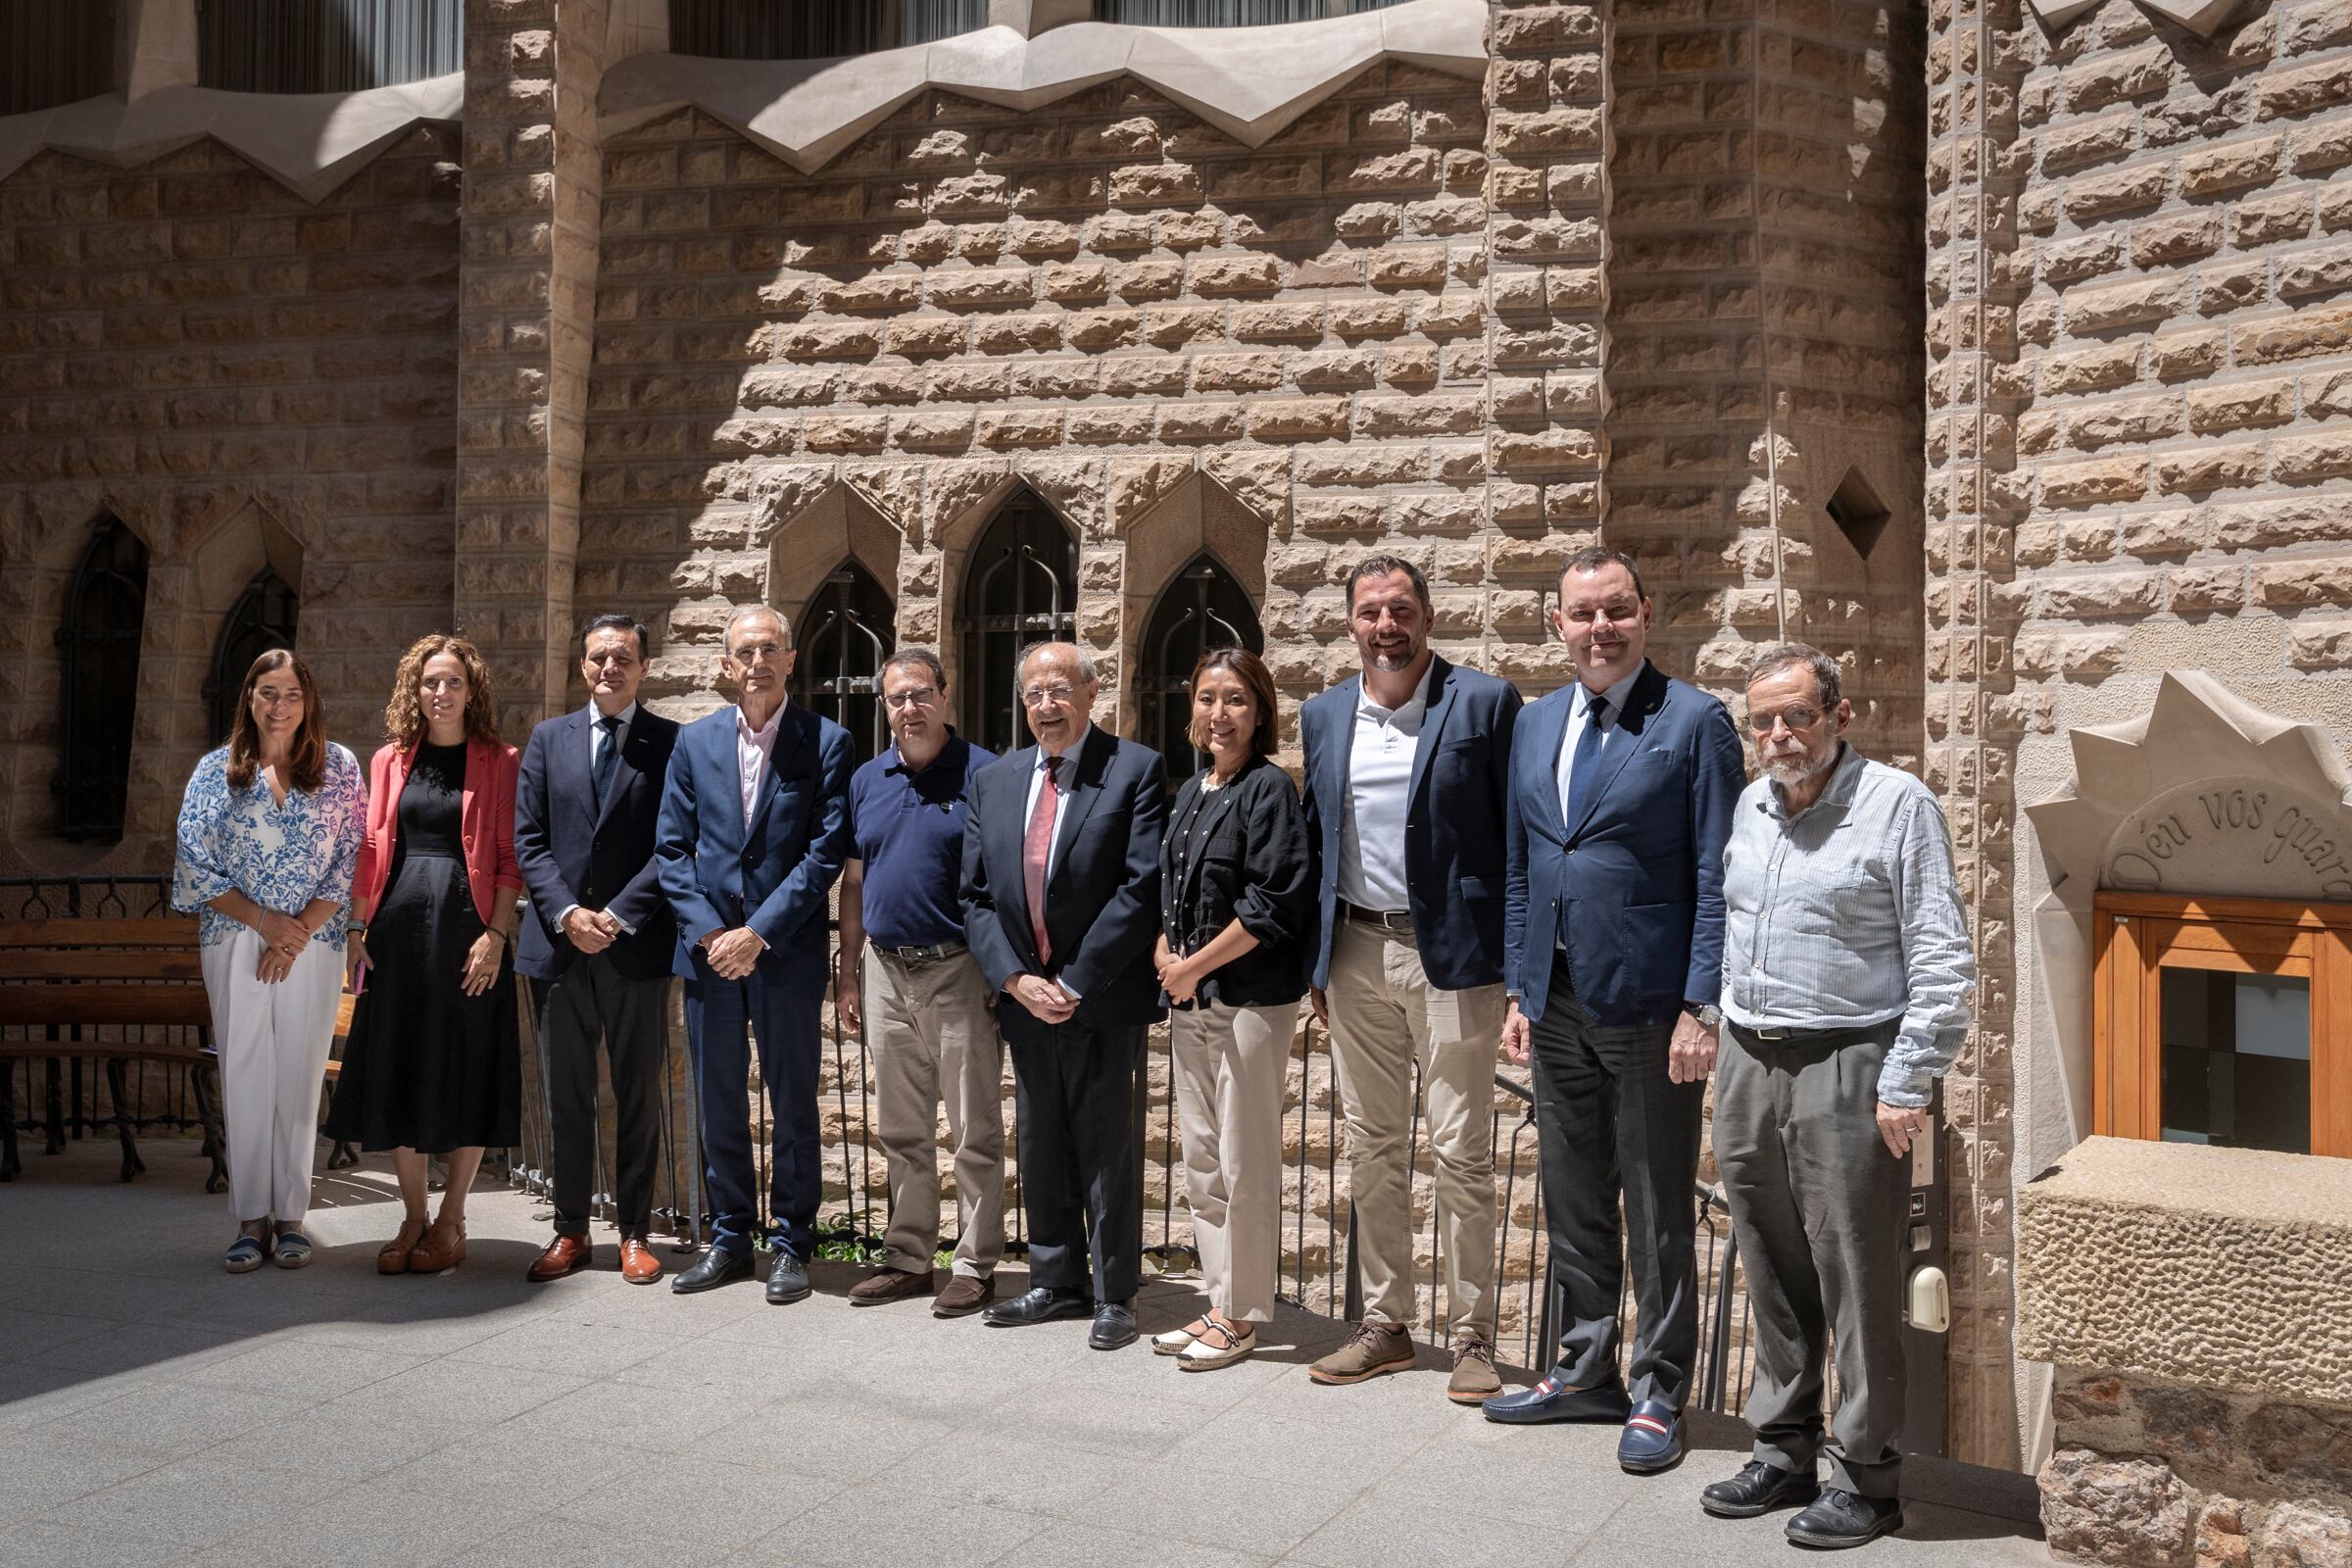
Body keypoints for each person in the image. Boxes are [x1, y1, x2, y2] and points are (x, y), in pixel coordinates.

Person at [1701, 642, 1974, 1549]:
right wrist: (1710, 1017)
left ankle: (1866, 1476)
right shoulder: (1750, 803)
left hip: (1852, 1062)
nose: (1779, 736)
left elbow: (1941, 958)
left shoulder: (1900, 806)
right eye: (1764, 720)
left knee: (1856, 1273)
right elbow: (1736, 924)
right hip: (1749, 1056)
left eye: (1798, 717)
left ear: (1840, 717)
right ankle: (1782, 1450)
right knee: (1770, 1267)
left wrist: (1906, 1082)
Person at [1486, 546, 1748, 1473]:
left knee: (1659, 1204)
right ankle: (1586, 1367)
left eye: (1616, 611)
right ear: (1556, 624)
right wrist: (1520, 989)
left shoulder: (1694, 724)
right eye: (1582, 613)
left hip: (1648, 1011)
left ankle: (1659, 1391)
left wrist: (1700, 1005)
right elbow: (1526, 863)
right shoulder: (1535, 722)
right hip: (1554, 1003)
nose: (1600, 628)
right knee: (1574, 1193)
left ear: (1647, 613)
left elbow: (1718, 876)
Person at [1298, 556, 1520, 1403]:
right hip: (1354, 950)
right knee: (1372, 1145)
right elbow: (1319, 841)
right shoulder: (1325, 715)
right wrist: (1317, 961)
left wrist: (1516, 965)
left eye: (1400, 610)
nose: (1385, 626)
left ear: (1428, 617)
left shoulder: (1485, 702)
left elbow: (1516, 834)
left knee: (1462, 1150)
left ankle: (1473, 1339)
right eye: (1369, 612)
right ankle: (1386, 1325)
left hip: (1453, 960)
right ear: (1350, 623)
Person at [962, 641, 1166, 1351]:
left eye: (1058, 691)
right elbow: (977, 895)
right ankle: (1053, 1282)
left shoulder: (1135, 770)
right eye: (1033, 695)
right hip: (1025, 997)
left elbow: (1141, 888)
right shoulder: (995, 780)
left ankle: (1114, 1294)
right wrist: (1016, 980)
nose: (1046, 707)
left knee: (1107, 1145)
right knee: (1040, 1138)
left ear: (1090, 693)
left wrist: (1074, 983)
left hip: (1099, 997)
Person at [656, 606, 853, 1302]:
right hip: (710, 956)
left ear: (792, 660)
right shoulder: (694, 743)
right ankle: (731, 1237)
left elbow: (824, 851)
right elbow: (672, 850)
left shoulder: (826, 741)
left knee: (794, 1101)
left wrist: (757, 932)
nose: (758, 661)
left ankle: (793, 1243)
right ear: (725, 664)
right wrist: (713, 935)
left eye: (771, 648)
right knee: (717, 1100)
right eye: (746, 651)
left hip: (784, 952)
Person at [326, 634, 525, 1276]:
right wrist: (356, 931)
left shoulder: (500, 759)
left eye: (453, 683)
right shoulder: (388, 760)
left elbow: (508, 863)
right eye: (430, 682)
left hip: (467, 937)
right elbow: (367, 850)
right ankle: (412, 1214)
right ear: (415, 691)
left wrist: (495, 937)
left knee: (463, 1067)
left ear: (473, 692)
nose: (440, 693)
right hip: (395, 935)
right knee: (396, 1066)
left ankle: (453, 1218)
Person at [172, 650, 366, 1273]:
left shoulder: (339, 768)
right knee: (247, 1073)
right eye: (267, 692)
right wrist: (264, 924)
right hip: (234, 941)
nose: (279, 706)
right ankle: (250, 1218)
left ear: (307, 702)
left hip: (313, 945)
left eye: (291, 694)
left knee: (299, 1076)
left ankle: (292, 1219)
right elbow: (192, 864)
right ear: (248, 700)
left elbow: (349, 860)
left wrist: (295, 933)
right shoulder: (214, 772)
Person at [1151, 648, 1312, 1372]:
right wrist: (1165, 953)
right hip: (1192, 995)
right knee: (1204, 1161)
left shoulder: (1269, 791)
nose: (1221, 713)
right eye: (1209, 697)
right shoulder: (1193, 791)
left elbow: (1272, 904)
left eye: (1237, 699)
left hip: (1247, 1002)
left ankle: (1243, 1315)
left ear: (1261, 711)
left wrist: (1190, 967)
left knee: (1245, 1163)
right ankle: (1218, 1300)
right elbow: (1172, 892)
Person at [835, 649, 1005, 1317]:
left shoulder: (986, 775)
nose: (910, 709)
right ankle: (908, 1257)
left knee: (974, 1130)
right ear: (885, 707)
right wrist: (847, 977)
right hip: (884, 970)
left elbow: (1005, 882)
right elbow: (852, 882)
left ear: (945, 694)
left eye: (920, 695)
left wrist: (1002, 966)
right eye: (897, 699)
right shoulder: (866, 780)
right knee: (902, 1130)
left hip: (959, 970)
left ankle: (973, 1265)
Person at [513, 613, 681, 1286]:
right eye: (598, 657)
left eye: (622, 658)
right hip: (558, 950)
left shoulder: (670, 743)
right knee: (567, 1093)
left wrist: (614, 916)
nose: (609, 668)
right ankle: (571, 1230)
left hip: (632, 947)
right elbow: (528, 838)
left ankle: (636, 1233)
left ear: (643, 667)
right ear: (582, 666)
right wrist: (567, 913)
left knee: (638, 1090)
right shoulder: (548, 740)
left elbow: (676, 842)